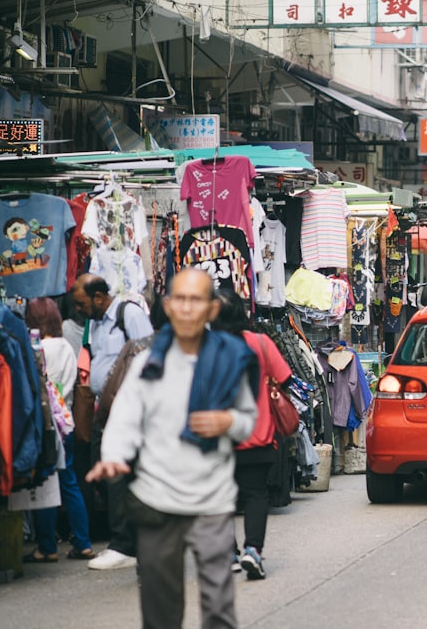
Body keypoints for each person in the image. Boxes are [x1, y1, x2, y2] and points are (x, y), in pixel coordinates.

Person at [87, 268, 258, 629]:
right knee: (160, 609)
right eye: (179, 299)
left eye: (195, 300)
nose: (186, 308)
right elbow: (125, 417)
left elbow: (247, 419)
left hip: (212, 499)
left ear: (212, 309)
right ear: (167, 305)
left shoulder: (230, 357)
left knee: (218, 607)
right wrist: (114, 457)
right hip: (156, 498)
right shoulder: (148, 362)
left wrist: (228, 423)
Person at [70, 273, 154, 571]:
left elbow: (149, 355)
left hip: (127, 409)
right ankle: (131, 541)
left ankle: (125, 544)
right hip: (103, 410)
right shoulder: (94, 323)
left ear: (98, 297)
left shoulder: (127, 313)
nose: (79, 310)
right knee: (106, 474)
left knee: (120, 473)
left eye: (81, 304)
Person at [211, 289, 294, 581]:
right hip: (257, 434)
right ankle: (253, 551)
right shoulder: (260, 342)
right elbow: (285, 378)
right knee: (255, 494)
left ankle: (229, 553)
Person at [22, 298, 96, 563]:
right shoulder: (65, 345)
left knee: (45, 483)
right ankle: (83, 541)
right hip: (67, 421)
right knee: (69, 483)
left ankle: (47, 546)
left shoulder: (40, 348)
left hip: (49, 423)